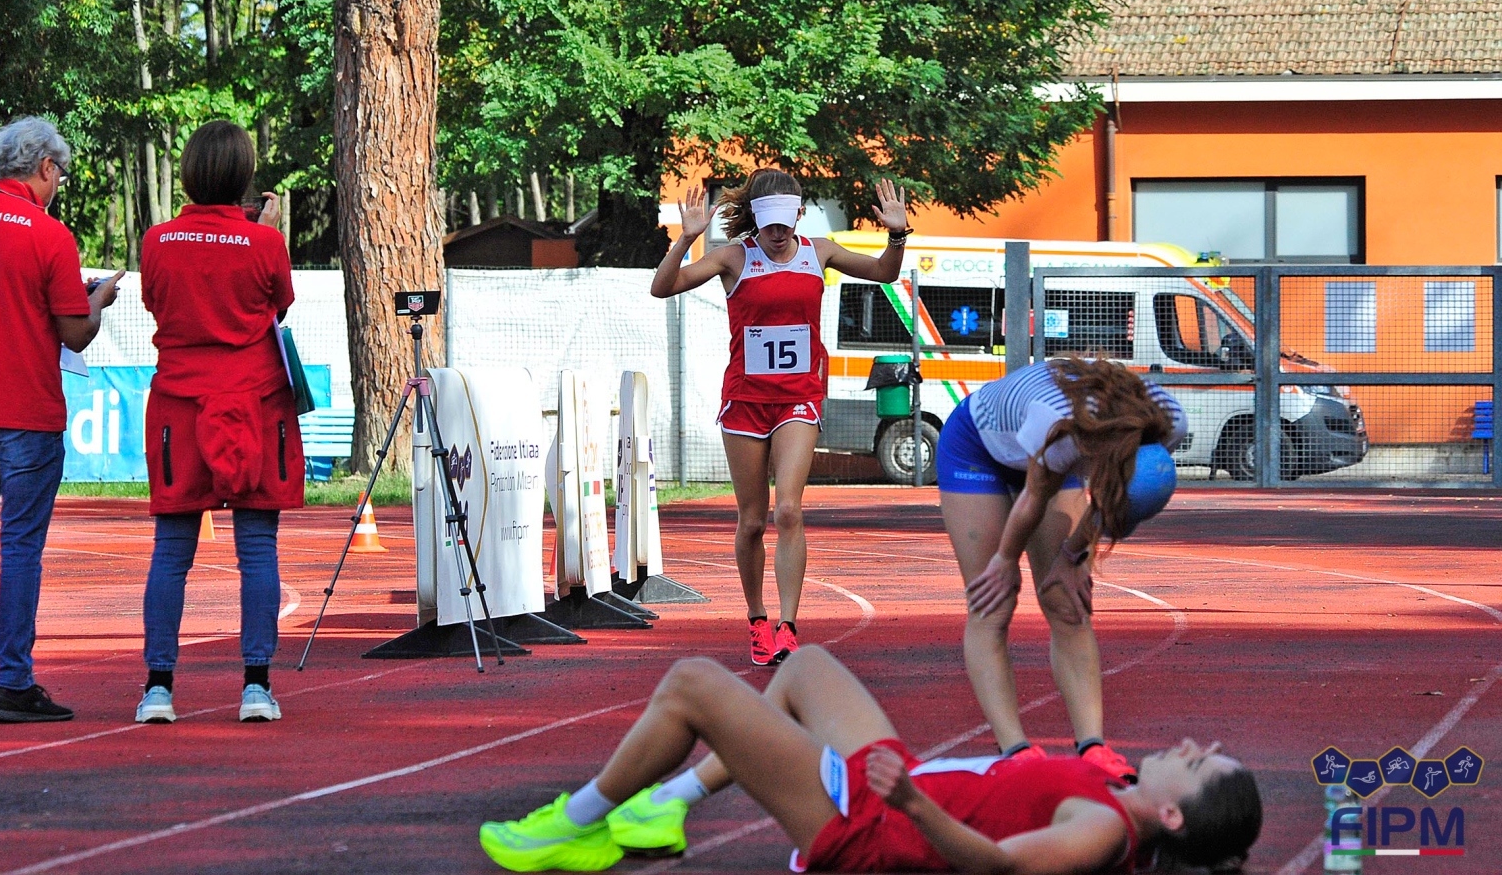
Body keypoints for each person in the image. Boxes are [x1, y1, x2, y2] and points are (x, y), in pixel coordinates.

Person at [478, 645, 1262, 873]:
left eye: (1198, 764)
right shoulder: (1119, 789)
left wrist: (913, 806)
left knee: (693, 684)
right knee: (806, 666)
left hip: (869, 823)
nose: (1192, 747)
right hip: (897, 783)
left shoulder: (1102, 831)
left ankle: (574, 826)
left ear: (1170, 814)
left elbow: (996, 866)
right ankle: (665, 804)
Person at [651, 170, 908, 667]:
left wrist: (897, 235)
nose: (776, 232)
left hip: (798, 399)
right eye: (767, 222)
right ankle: (757, 619)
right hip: (745, 400)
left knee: (788, 509)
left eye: (784, 222)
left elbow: (884, 272)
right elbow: (663, 288)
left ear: (798, 215)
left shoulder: (820, 251)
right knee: (751, 521)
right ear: (756, 217)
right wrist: (685, 239)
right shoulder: (733, 257)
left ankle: (788, 626)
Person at [0, 116, 123, 724]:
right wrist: (97, 300)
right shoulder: (49, 235)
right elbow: (74, 334)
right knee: (20, 549)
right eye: (59, 172)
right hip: (28, 414)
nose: (58, 183)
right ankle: (13, 682)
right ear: (44, 167)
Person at [938, 357, 1187, 783]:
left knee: (1067, 602)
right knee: (993, 601)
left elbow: (1111, 502)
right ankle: (1015, 752)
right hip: (978, 448)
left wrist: (1072, 558)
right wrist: (1004, 561)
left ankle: (1093, 747)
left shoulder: (1170, 421)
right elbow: (1034, 497)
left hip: (1070, 446)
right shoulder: (1061, 427)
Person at [134, 120, 303, 725]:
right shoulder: (264, 243)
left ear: (188, 174)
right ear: (244, 176)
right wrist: (265, 234)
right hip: (255, 404)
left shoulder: (158, 241)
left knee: (171, 551)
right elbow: (279, 306)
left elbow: (156, 303)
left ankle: (158, 688)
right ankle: (256, 685)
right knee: (257, 550)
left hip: (180, 406)